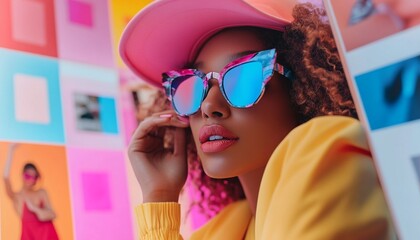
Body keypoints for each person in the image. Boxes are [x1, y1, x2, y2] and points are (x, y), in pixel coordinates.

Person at [119, 0, 395, 239]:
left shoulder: (328, 148)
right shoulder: (223, 229)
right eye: (191, 85)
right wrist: (158, 196)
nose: (209, 106)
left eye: (243, 77)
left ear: (300, 85)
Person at [3, 143, 59, 240]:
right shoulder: (17, 197)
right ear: (22, 176)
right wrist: (10, 151)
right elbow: (5, 178)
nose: (31, 180)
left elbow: (53, 214)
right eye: (28, 176)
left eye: (35, 177)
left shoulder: (42, 192)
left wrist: (35, 209)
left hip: (48, 236)